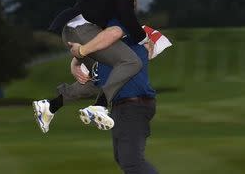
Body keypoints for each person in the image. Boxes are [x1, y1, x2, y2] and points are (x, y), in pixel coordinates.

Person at [35, 0, 154, 128]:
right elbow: (123, 17)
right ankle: (99, 106)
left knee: (97, 80)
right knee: (131, 62)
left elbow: (112, 9)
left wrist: (78, 57)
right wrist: (145, 39)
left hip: (74, 30)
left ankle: (50, 106)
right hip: (82, 31)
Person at [39, 19, 163, 173]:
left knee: (132, 162)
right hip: (122, 106)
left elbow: (112, 40)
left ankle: (52, 106)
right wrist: (77, 59)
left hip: (134, 105)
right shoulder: (106, 43)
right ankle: (51, 106)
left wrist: (79, 55)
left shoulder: (128, 37)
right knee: (123, 159)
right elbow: (94, 80)